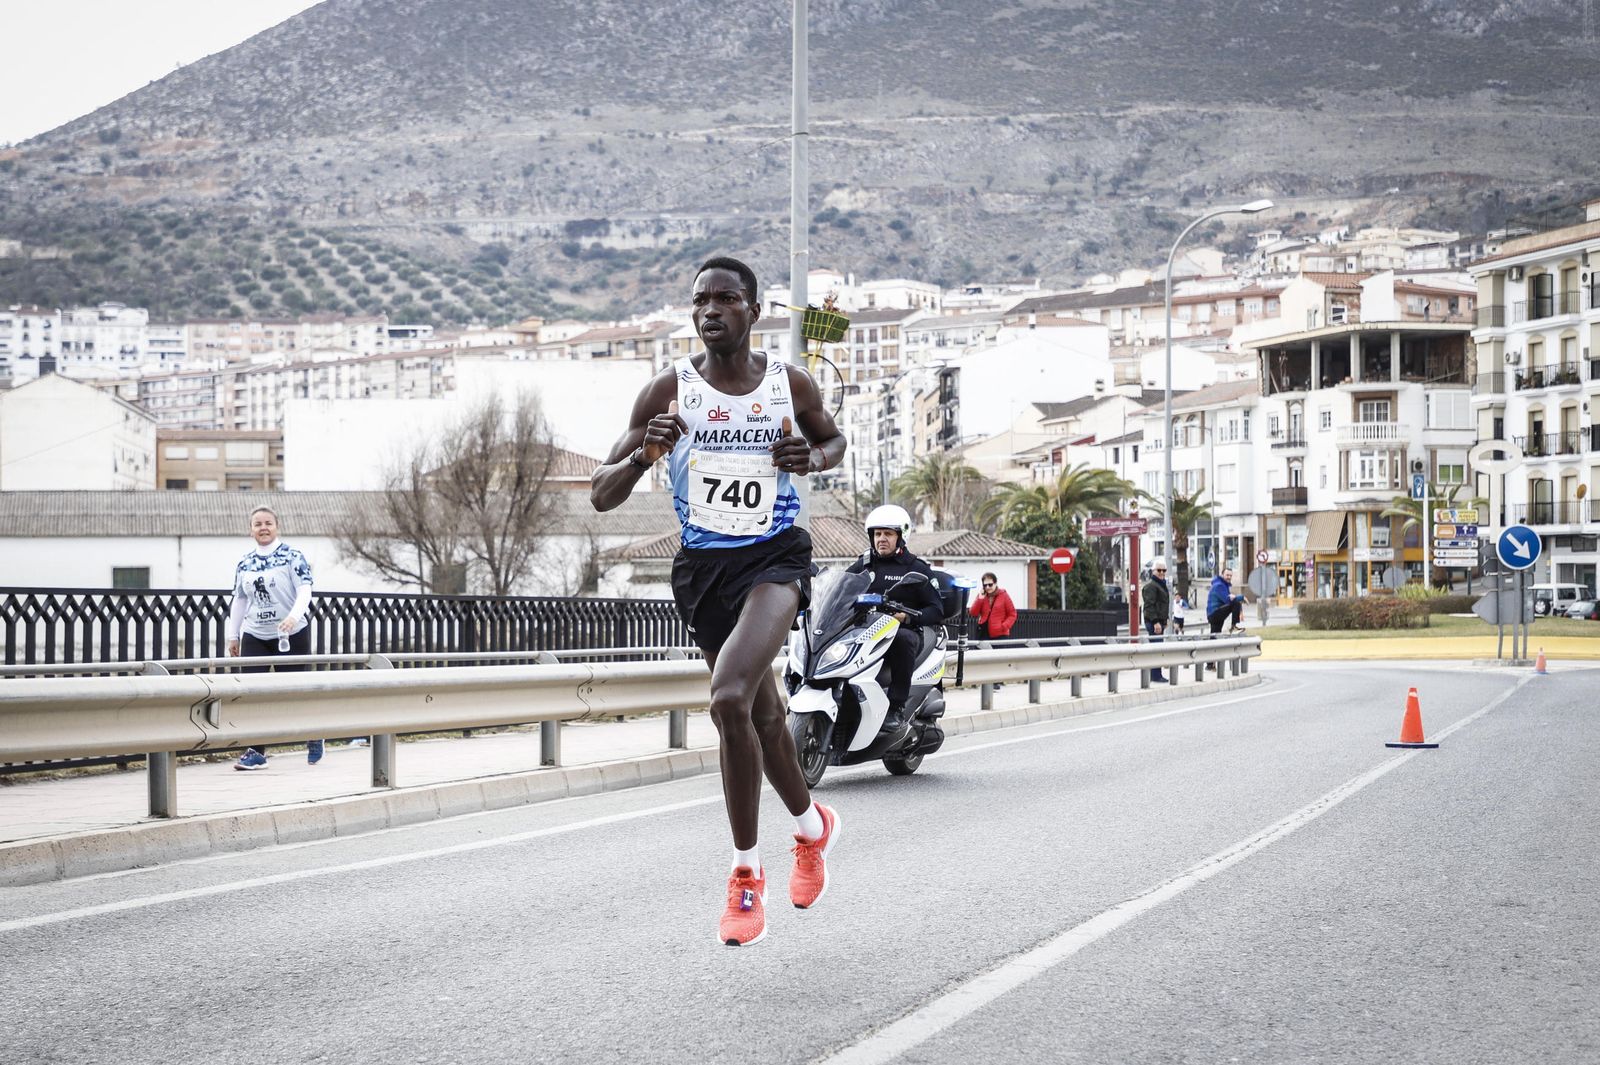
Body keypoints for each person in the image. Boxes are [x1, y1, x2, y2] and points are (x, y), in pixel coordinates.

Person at [591, 256, 847, 948]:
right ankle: (812, 828)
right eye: (701, 300)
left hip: (774, 559)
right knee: (763, 716)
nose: (711, 310)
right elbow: (601, 493)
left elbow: (833, 439)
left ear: (753, 311)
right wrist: (643, 457)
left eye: (726, 298)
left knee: (729, 697)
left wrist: (813, 459)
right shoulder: (668, 391)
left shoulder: (789, 384)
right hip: (704, 571)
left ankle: (745, 874)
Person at [225, 506, 317, 769]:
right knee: (253, 693)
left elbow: (305, 591)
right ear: (251, 530)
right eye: (257, 524)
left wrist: (293, 617)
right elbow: (239, 600)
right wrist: (233, 635)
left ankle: (314, 734)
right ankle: (256, 752)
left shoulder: (292, 556)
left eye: (268, 523)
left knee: (295, 692)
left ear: (277, 527)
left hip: (291, 634)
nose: (263, 528)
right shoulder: (245, 563)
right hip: (256, 634)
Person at [846, 505, 946, 729]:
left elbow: (936, 610)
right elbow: (841, 589)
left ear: (901, 536)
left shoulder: (916, 568)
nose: (881, 539)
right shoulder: (863, 565)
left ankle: (896, 707)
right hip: (865, 631)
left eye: (888, 534)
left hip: (901, 630)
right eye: (877, 534)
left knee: (903, 639)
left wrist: (908, 618)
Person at [1141, 557, 1171, 684]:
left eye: (1164, 570)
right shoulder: (1151, 586)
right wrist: (1156, 622)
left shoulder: (1161, 585)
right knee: (1156, 649)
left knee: (1158, 648)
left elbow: (1162, 604)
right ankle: (1155, 675)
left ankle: (1156, 674)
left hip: (1159, 622)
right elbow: (1149, 606)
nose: (1162, 573)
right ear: (1153, 571)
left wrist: (1165, 619)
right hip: (1154, 622)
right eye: (1159, 570)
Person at [970, 572, 1017, 643]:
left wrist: (1004, 626)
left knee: (998, 650)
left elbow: (1012, 614)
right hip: (983, 632)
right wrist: (980, 599)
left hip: (999, 634)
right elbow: (973, 613)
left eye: (990, 584)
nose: (987, 587)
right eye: (985, 585)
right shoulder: (982, 595)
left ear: (995, 583)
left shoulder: (1004, 595)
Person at [1207, 566, 1247, 640]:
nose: (1229, 577)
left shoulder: (1222, 585)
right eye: (1227, 575)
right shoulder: (1219, 585)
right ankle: (1234, 627)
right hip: (1215, 613)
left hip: (1214, 614)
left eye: (1230, 575)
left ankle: (1211, 645)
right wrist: (1242, 597)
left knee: (1215, 635)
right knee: (1236, 603)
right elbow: (1228, 600)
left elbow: (1229, 599)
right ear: (1222, 575)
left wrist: (1240, 611)